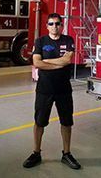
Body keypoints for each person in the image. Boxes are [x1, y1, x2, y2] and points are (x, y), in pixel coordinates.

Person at [23, 13, 81, 170]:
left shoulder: (68, 40)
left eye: (57, 23)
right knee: (39, 122)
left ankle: (66, 154)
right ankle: (36, 153)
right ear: (47, 26)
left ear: (61, 25)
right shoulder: (40, 41)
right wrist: (57, 63)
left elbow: (67, 60)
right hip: (44, 89)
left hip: (63, 89)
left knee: (67, 122)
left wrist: (46, 61)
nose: (54, 26)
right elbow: (36, 63)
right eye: (51, 24)